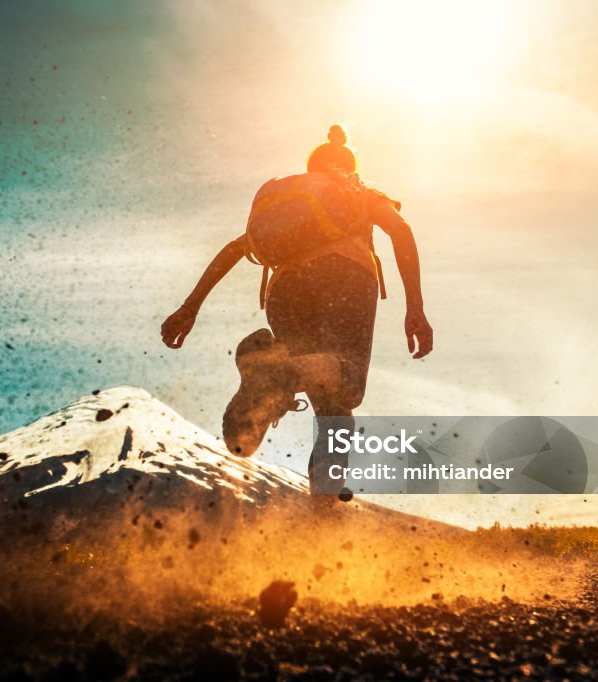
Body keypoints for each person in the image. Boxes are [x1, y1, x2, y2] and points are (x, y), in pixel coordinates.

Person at [160, 125, 432, 490]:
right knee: (347, 383)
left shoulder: (291, 206)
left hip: (284, 292)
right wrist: (414, 307)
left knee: (336, 418)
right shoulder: (356, 191)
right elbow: (400, 231)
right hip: (344, 280)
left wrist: (189, 308)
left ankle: (320, 516)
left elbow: (234, 249)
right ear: (347, 168)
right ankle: (276, 376)